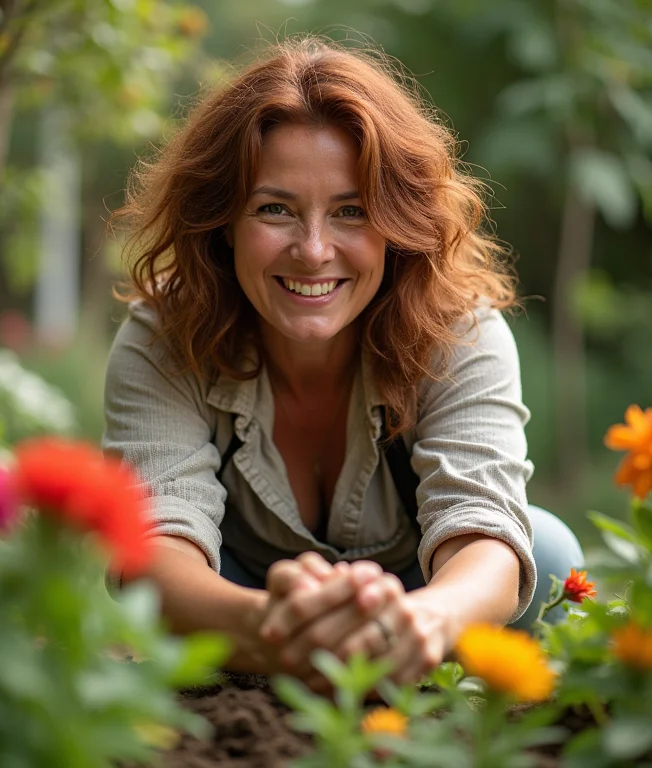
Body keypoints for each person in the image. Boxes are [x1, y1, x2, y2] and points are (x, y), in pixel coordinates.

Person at [103, 37, 584, 693]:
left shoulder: (461, 332)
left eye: (352, 211)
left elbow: (485, 533)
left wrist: (421, 624)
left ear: (398, 222)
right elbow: (154, 550)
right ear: (222, 222)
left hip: (416, 598)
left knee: (549, 554)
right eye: (275, 209)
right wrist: (273, 627)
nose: (313, 250)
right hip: (240, 599)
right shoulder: (164, 336)